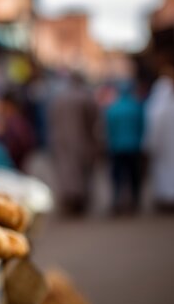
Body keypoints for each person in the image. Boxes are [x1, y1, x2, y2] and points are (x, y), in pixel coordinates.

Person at [47, 72, 100, 215]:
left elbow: (51, 119)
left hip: (60, 140)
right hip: (80, 138)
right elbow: (93, 119)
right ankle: (78, 201)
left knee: (66, 172)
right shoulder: (85, 97)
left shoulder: (58, 98)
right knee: (80, 172)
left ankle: (69, 200)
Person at [104, 81, 144, 213]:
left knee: (117, 177)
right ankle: (134, 202)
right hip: (133, 147)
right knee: (133, 176)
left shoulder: (113, 109)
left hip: (116, 147)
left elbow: (108, 129)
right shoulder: (136, 107)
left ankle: (116, 201)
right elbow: (142, 127)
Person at [144, 63, 174, 211]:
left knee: (164, 175)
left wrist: (149, 144)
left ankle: (166, 200)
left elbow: (153, 128)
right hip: (168, 148)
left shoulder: (156, 107)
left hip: (162, 147)